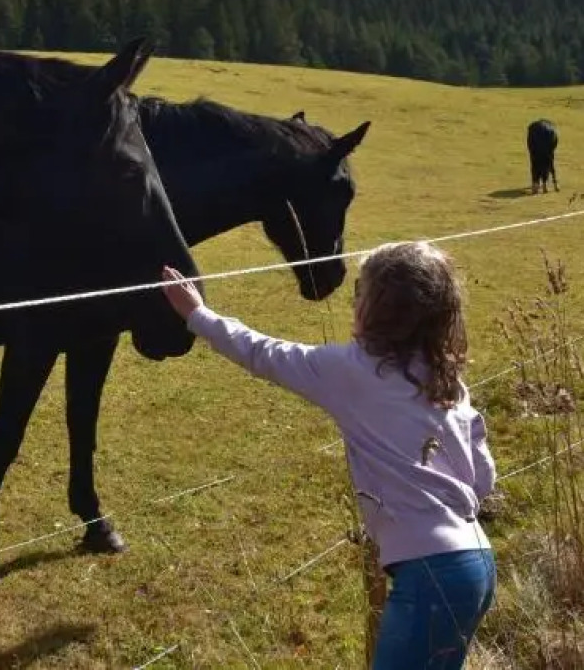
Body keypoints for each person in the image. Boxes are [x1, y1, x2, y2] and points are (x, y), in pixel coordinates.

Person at [159, 240, 496, 670]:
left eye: (359, 290)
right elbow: (484, 479)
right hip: (477, 563)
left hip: (429, 576)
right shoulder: (446, 379)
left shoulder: (351, 371)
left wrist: (196, 314)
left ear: (375, 309)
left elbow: (263, 353)